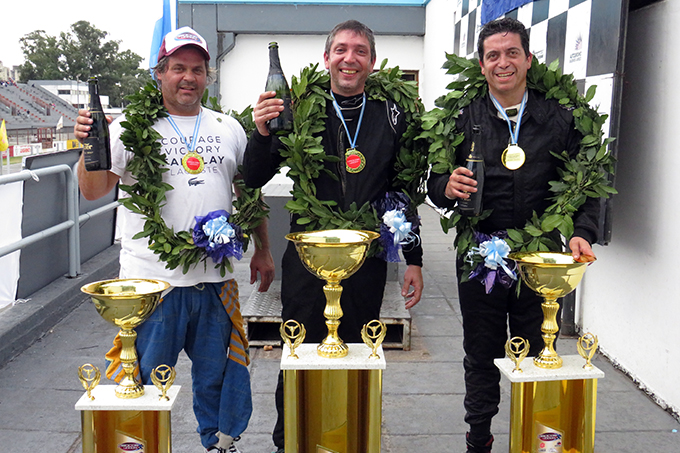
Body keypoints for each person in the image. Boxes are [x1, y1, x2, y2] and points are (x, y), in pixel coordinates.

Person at [74, 26, 275, 453]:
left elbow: (248, 192)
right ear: (159, 73)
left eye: (198, 69)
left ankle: (221, 444)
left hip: (215, 284)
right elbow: (92, 191)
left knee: (219, 378)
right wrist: (85, 146)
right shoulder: (130, 127)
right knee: (142, 380)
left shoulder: (229, 128)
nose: (189, 77)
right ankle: (138, 447)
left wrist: (263, 249)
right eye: (178, 68)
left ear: (208, 76)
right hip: (152, 288)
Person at [242, 20, 424, 453]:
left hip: (367, 261)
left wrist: (414, 256)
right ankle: (292, 442)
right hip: (308, 261)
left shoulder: (391, 114)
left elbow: (403, 188)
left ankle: (354, 439)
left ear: (372, 62)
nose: (349, 58)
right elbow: (253, 175)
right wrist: (263, 131)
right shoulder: (298, 106)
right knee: (299, 354)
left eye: (360, 51)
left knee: (362, 353)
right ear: (326, 59)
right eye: (340, 49)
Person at [427, 18, 600, 453]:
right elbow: (432, 180)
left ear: (527, 58)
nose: (503, 63)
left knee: (543, 353)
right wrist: (444, 187)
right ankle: (479, 441)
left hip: (541, 260)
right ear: (482, 65)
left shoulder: (559, 116)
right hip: (480, 255)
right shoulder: (461, 116)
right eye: (493, 56)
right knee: (480, 355)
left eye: (511, 53)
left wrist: (581, 232)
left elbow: (587, 178)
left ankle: (539, 442)